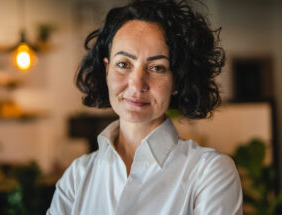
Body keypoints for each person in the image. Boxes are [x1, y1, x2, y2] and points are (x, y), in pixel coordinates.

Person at [47, 0, 243, 214]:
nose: (137, 84)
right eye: (123, 64)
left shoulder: (210, 172)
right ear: (106, 70)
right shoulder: (77, 177)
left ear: (177, 80)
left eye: (157, 67)